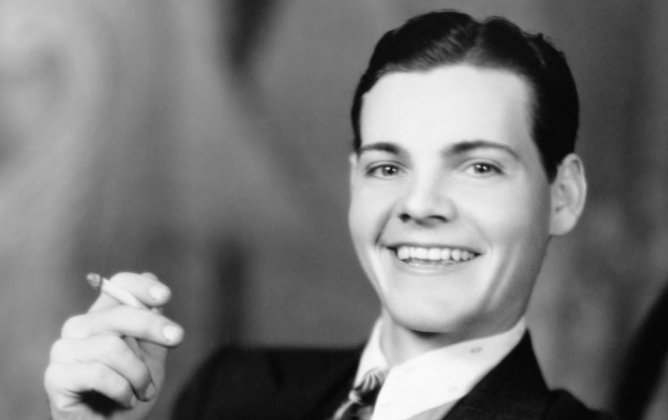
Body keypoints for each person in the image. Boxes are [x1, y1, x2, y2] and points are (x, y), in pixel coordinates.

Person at [44, 10, 615, 420]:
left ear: (562, 195)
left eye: (479, 168)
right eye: (387, 168)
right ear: (353, 182)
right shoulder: (232, 391)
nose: (419, 205)